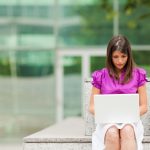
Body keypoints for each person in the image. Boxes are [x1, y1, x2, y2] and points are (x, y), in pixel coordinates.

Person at [89, 35, 148, 150]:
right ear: (109, 57)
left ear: (129, 56)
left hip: (130, 121)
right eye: (115, 57)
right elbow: (91, 107)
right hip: (107, 122)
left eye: (123, 56)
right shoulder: (100, 76)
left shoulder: (138, 75)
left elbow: (144, 106)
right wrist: (108, 115)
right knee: (112, 133)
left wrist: (127, 115)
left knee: (127, 130)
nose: (119, 61)